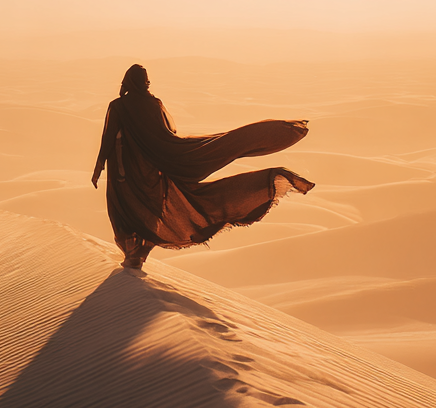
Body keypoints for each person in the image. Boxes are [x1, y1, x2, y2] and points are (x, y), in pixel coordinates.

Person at [91, 64, 314, 269]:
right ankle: (137, 256)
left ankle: (134, 257)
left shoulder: (119, 106)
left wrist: (99, 168)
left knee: (123, 211)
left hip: (125, 173)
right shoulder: (153, 104)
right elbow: (164, 137)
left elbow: (109, 140)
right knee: (150, 213)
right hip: (152, 171)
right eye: (146, 81)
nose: (147, 84)